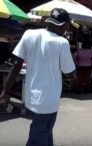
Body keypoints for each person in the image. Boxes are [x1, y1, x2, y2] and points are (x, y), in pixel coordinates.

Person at [0, 8, 75, 146]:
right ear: (64, 25)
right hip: (48, 102)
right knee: (38, 137)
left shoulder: (29, 34)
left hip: (31, 98)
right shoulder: (62, 43)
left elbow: (16, 64)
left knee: (44, 132)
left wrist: (5, 91)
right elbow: (69, 73)